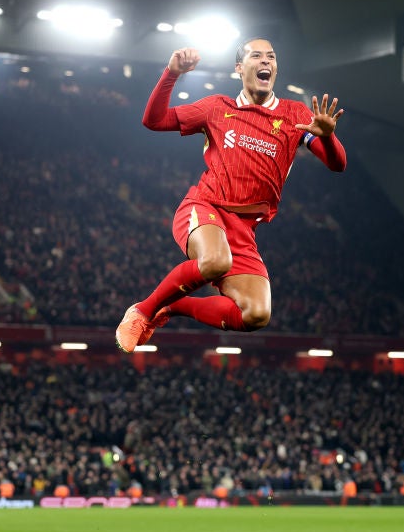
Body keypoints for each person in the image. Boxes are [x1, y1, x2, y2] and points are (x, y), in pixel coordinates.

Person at [115, 37, 347, 352]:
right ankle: (142, 311)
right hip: (205, 207)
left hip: (244, 229)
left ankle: (170, 307)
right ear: (239, 67)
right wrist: (172, 74)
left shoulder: (295, 114)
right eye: (257, 56)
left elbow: (337, 164)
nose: (266, 61)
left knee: (256, 314)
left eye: (271, 57)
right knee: (215, 261)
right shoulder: (216, 108)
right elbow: (153, 121)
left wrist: (328, 136)